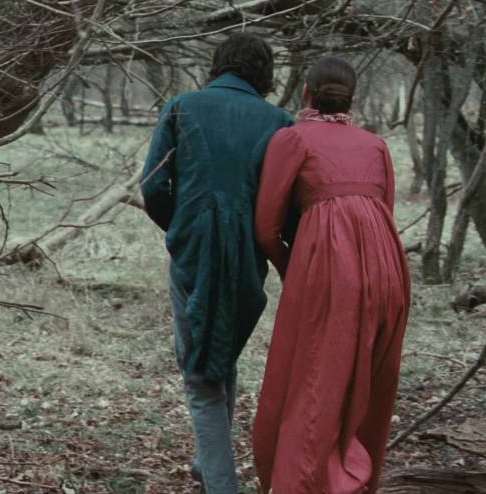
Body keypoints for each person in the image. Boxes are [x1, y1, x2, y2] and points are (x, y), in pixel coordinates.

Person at [140, 33, 292, 493]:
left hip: (193, 253)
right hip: (248, 256)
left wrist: (183, 227)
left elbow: (152, 186)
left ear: (218, 64)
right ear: (264, 73)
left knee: (202, 374)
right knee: (220, 355)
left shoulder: (182, 107)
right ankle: (209, 462)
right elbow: (287, 203)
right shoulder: (279, 122)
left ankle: (220, 483)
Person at [252, 56, 412, 493]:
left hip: (327, 265)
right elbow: (385, 210)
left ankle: (306, 484)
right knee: (370, 380)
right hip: (387, 265)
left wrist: (293, 270)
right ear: (352, 98)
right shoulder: (375, 144)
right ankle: (357, 477)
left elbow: (266, 227)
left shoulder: (292, 138)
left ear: (307, 93)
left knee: (315, 379)